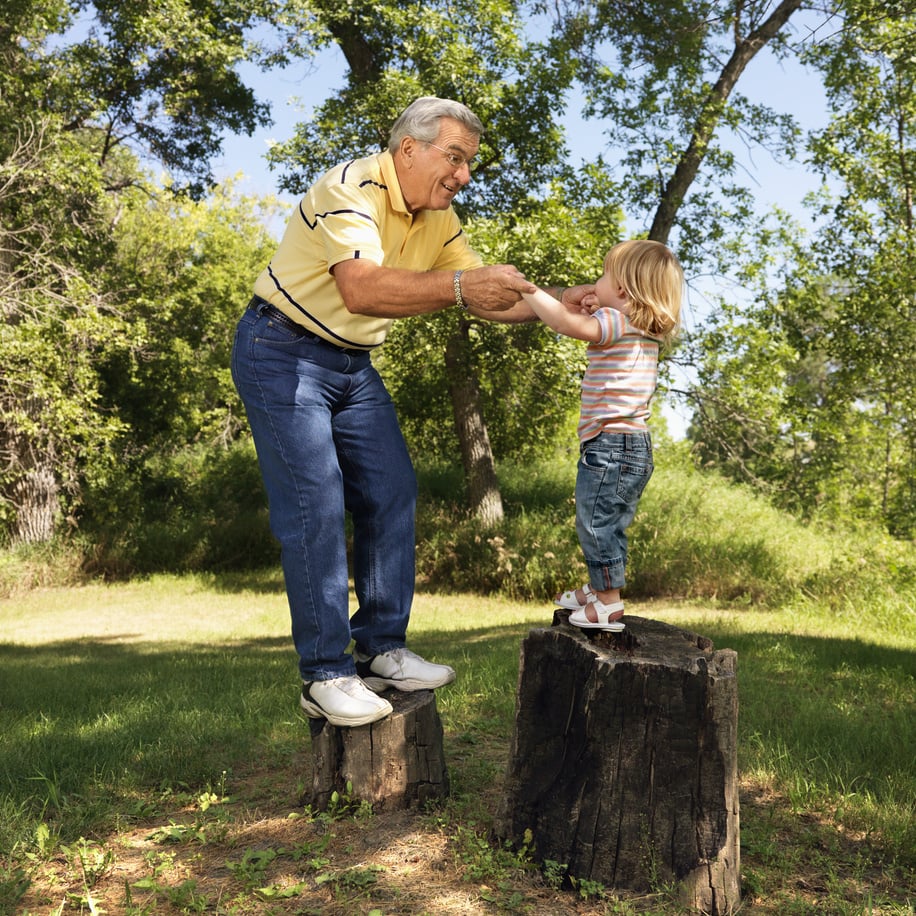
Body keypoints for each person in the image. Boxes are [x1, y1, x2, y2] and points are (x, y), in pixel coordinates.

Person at [231, 97, 588, 727]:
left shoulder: (438, 218)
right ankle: (325, 674)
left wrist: (559, 302)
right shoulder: (350, 189)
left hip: (351, 364)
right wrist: (460, 288)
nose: (464, 175)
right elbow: (361, 288)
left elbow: (485, 297)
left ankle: (382, 650)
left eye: (470, 162)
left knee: (392, 488)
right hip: (281, 349)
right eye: (454, 157)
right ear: (409, 150)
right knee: (314, 503)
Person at [521, 240, 683, 632]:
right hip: (633, 446)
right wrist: (599, 306)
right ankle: (599, 588)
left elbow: (564, 323)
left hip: (610, 444)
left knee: (594, 524)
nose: (597, 281)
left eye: (604, 275)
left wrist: (530, 291)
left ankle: (608, 604)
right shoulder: (641, 328)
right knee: (609, 524)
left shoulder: (616, 323)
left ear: (623, 289)